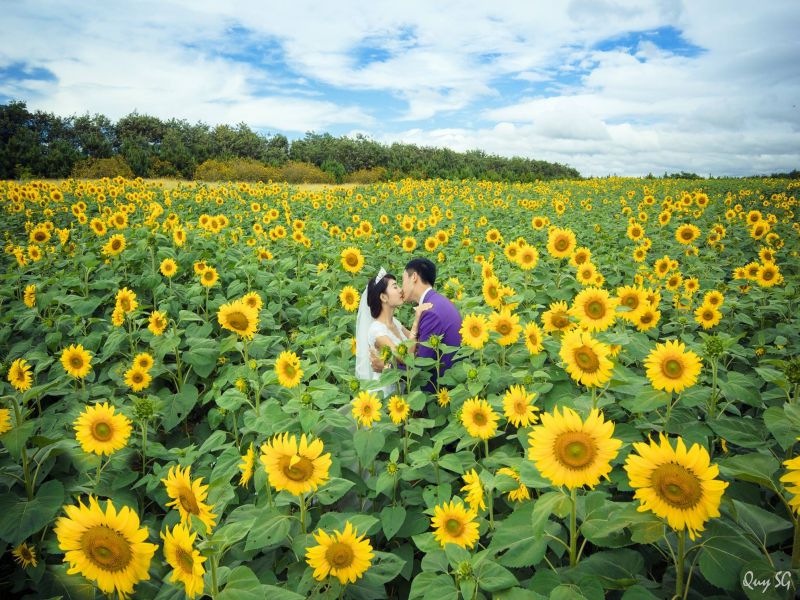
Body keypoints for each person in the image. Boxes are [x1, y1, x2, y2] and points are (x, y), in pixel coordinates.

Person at [371, 257, 462, 390]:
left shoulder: (430, 312)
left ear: (414, 277)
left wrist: (387, 367)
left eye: (402, 281)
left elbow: (420, 369)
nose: (401, 289)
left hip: (440, 389)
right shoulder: (438, 302)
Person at [355, 267, 432, 398]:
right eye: (395, 287)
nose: (401, 290)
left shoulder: (395, 322)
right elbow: (406, 357)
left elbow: (417, 344)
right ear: (384, 297)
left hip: (400, 389)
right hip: (384, 394)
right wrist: (417, 319)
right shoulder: (377, 330)